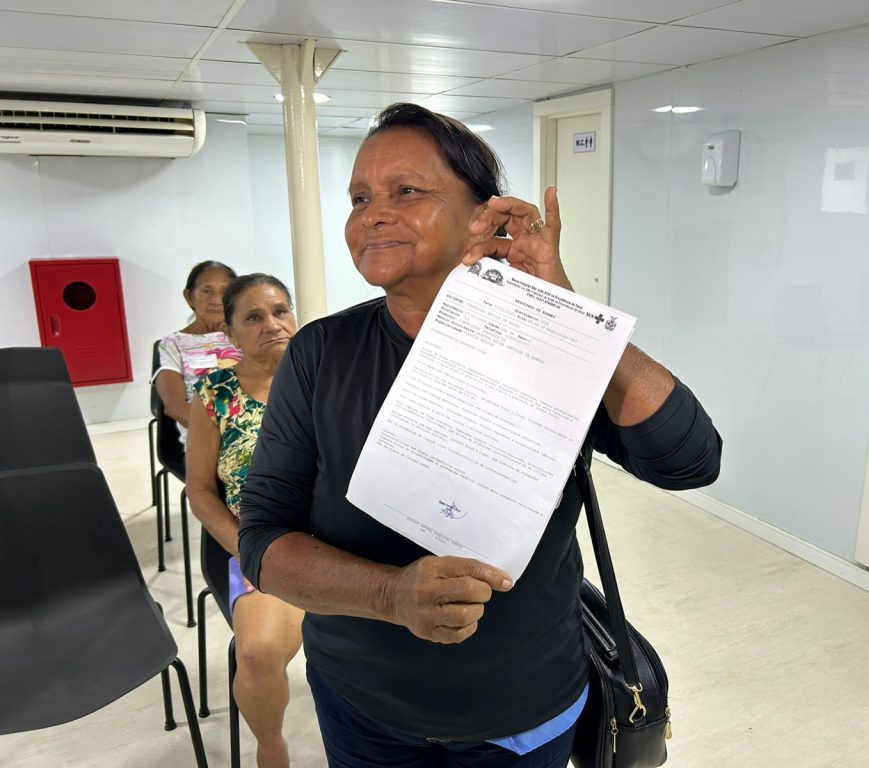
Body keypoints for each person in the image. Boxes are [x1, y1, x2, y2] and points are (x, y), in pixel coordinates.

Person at [239, 103, 722, 768]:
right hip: (363, 702)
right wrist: (390, 594)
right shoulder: (322, 353)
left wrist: (569, 312)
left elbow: (689, 459)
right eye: (359, 197)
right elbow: (262, 539)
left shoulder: (548, 342)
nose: (372, 213)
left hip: (523, 708)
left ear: (482, 214)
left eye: (406, 190)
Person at [185, 273, 304, 768]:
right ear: (230, 334)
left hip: (339, 538)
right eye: (253, 317)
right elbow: (199, 491)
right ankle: (270, 746)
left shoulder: (324, 379)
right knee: (255, 656)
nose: (272, 324)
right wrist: (247, 547)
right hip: (260, 542)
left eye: (280, 311)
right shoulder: (214, 394)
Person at [153, 261, 242, 443]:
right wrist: (229, 437)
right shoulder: (173, 344)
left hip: (258, 435)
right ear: (189, 297)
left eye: (224, 292)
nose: (217, 300)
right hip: (205, 441)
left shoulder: (247, 335)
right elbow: (175, 406)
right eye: (207, 291)